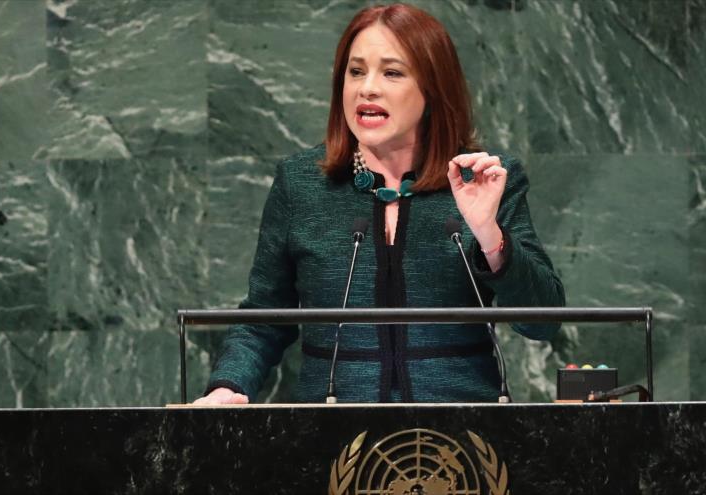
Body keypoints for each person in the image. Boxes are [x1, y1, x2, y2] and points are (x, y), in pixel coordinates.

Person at [194, 3, 564, 405]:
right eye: (356, 71)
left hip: (460, 436)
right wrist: (227, 385)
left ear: (433, 88)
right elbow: (263, 320)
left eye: (392, 72)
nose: (367, 88)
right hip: (330, 437)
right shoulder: (300, 183)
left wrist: (489, 235)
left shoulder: (486, 180)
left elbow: (542, 321)